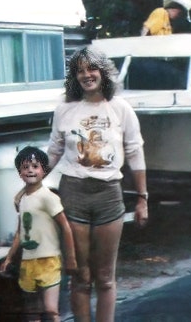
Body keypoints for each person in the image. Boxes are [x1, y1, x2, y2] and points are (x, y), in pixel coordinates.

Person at [46, 47, 148, 322]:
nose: (86, 75)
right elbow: (53, 151)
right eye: (80, 71)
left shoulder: (121, 108)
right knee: (80, 276)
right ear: (74, 76)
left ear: (103, 72)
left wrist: (142, 198)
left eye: (92, 69)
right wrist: (30, 186)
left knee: (105, 277)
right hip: (73, 195)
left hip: (109, 197)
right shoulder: (64, 109)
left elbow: (135, 152)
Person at [0, 146, 78, 322]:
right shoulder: (22, 200)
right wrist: (9, 258)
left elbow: (65, 226)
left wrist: (71, 258)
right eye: (25, 167)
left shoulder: (48, 197)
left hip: (49, 261)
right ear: (19, 173)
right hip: (28, 262)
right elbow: (20, 232)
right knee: (32, 310)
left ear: (44, 171)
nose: (30, 170)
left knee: (50, 310)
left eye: (35, 166)